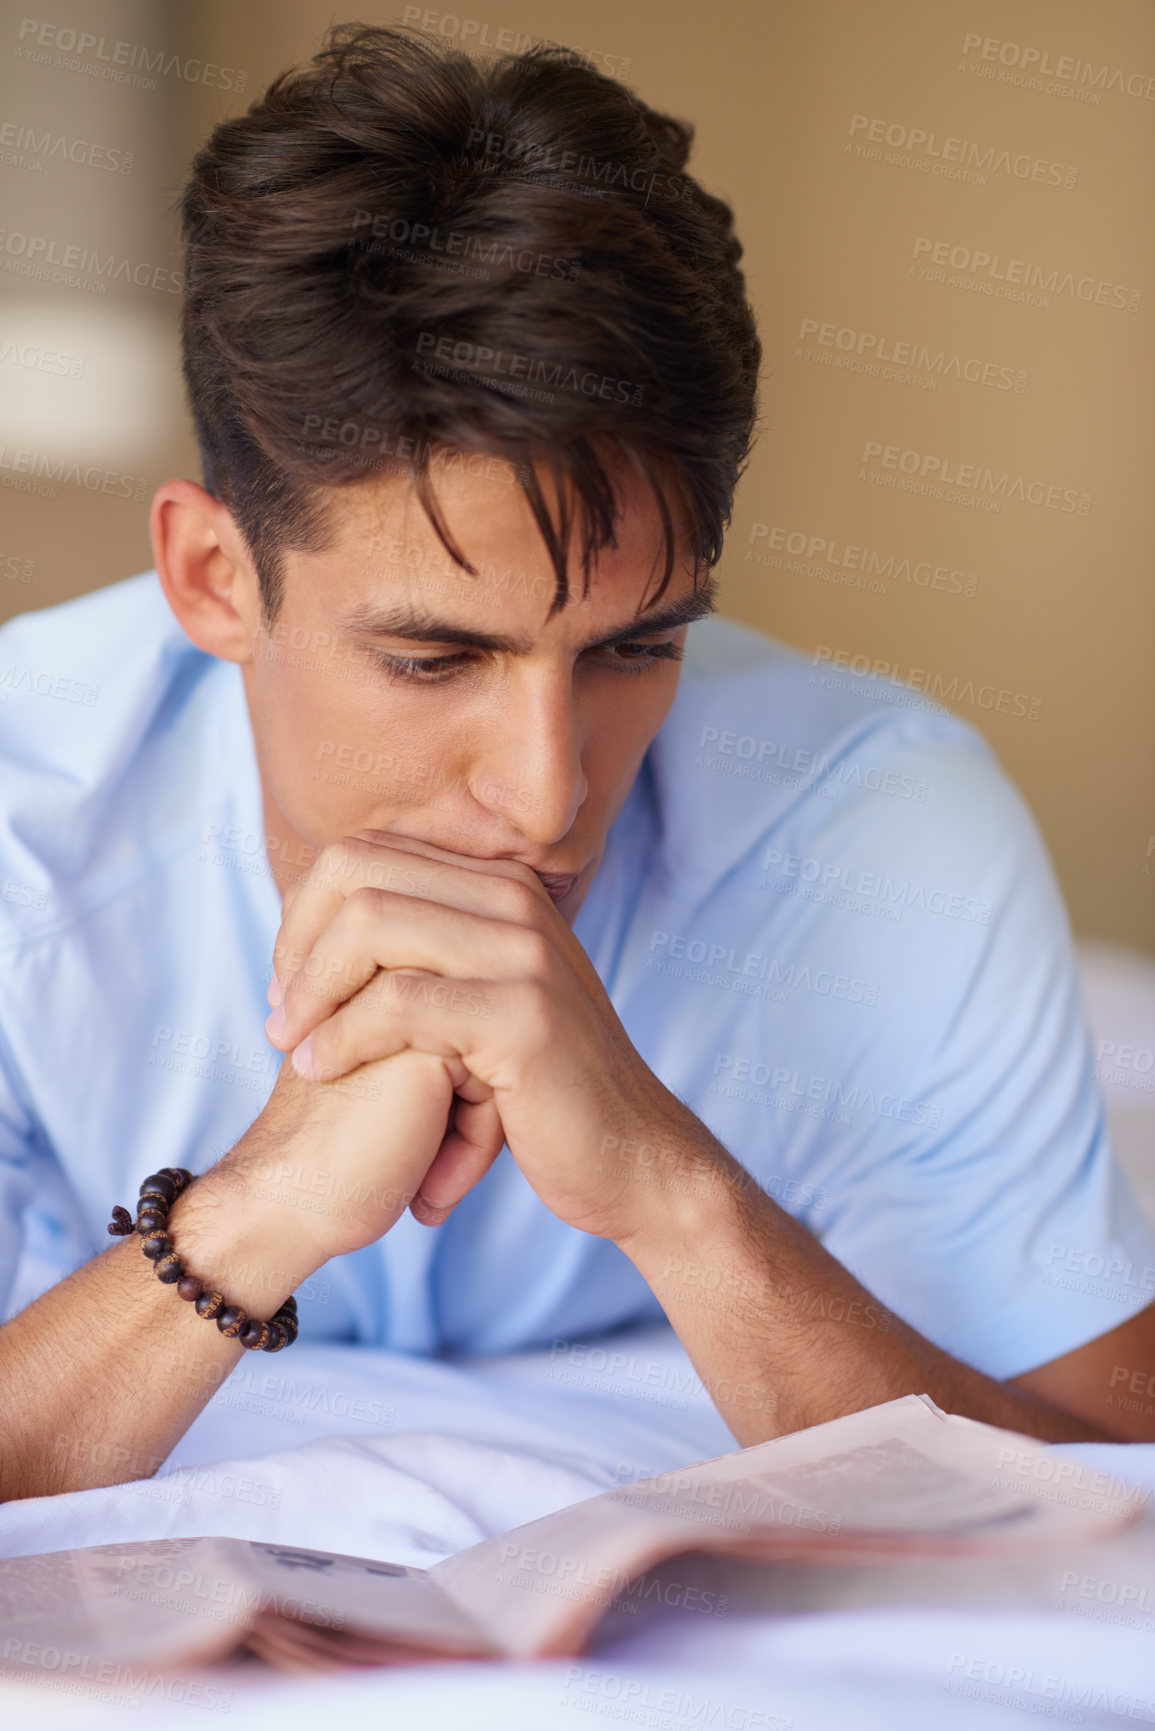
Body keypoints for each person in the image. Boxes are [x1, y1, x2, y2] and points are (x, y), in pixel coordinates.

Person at [1, 24, 1153, 1505]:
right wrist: (242, 1223)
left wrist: (674, 1193)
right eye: (435, 658)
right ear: (216, 576)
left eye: (635, 646)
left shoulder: (884, 833)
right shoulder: (27, 826)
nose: (547, 796)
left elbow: (1123, 1479)